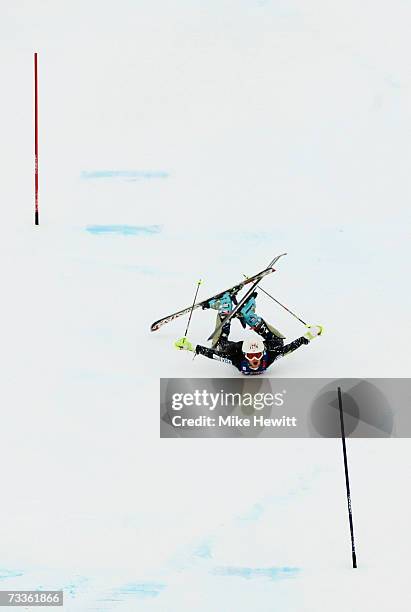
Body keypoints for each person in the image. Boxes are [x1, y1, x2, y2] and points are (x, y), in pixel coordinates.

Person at [174, 291, 323, 375]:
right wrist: (310, 335)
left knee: (219, 345)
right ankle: (248, 315)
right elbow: (291, 347)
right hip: (237, 348)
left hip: (239, 348)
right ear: (245, 355)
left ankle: (225, 308)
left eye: (257, 354)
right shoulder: (254, 357)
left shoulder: (243, 360)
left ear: (263, 352)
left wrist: (189, 346)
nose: (255, 359)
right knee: (279, 343)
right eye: (252, 356)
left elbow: (212, 354)